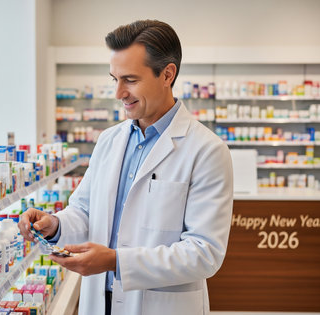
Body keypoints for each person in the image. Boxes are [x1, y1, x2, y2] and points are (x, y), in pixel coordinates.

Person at [19, 19, 233, 315]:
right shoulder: (109, 140)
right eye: (114, 79)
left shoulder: (207, 150)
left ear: (167, 74)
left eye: (130, 80)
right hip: (100, 302)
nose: (119, 93)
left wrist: (116, 261)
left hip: (160, 306)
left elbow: (204, 252)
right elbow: (83, 211)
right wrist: (54, 225)